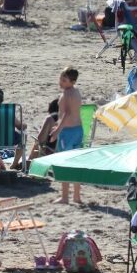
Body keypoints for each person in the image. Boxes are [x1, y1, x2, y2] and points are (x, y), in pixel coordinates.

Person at [51, 67, 84, 204]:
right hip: (78, 130)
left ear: (72, 81)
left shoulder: (66, 94)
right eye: (61, 78)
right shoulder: (76, 92)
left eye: (64, 80)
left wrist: (57, 130)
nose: (61, 82)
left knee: (64, 163)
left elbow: (67, 114)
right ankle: (76, 196)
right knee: (76, 163)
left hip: (68, 132)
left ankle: (65, 197)